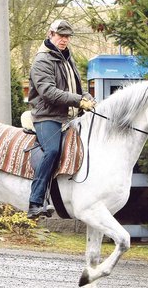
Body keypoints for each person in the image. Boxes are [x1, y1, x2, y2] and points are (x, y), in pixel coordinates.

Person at [27, 19, 95, 219]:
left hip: (68, 116)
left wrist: (88, 99)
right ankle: (35, 201)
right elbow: (48, 92)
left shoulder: (67, 58)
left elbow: (78, 89)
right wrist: (78, 101)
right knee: (53, 150)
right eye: (60, 36)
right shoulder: (42, 60)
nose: (64, 40)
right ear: (51, 34)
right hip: (47, 116)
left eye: (67, 37)